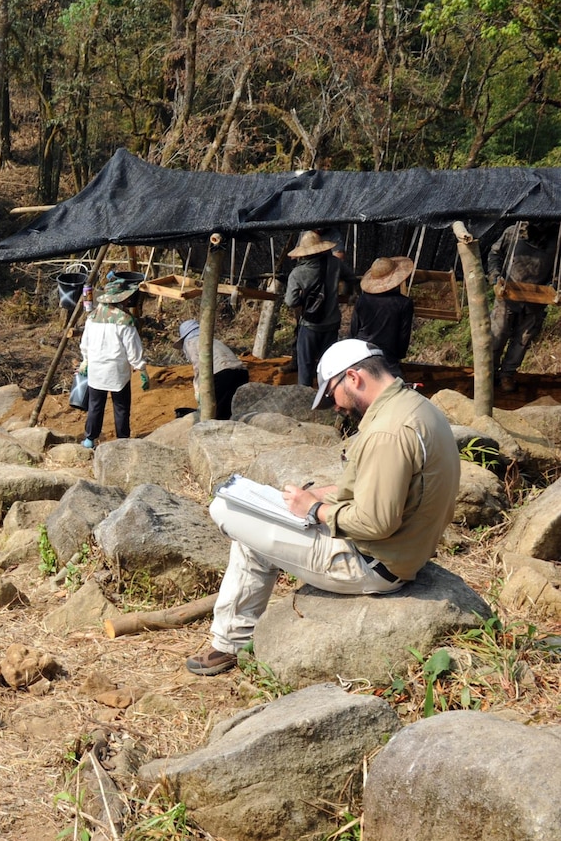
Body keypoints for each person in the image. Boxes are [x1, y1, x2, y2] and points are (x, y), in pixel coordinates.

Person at [185, 339, 459, 676]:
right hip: (400, 550)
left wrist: (314, 511)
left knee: (226, 510)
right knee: (253, 531)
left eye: (332, 395)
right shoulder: (414, 407)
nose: (336, 407)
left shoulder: (387, 432)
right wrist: (322, 496)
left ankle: (229, 644)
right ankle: (230, 642)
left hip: (370, 562)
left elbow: (376, 523)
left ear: (354, 378)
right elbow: (389, 487)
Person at [486, 221, 558, 392]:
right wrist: (495, 277)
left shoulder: (559, 238)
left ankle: (507, 375)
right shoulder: (513, 232)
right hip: (507, 294)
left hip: (536, 299)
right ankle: (488, 373)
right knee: (498, 334)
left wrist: (555, 286)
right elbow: (495, 254)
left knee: (522, 340)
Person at [77, 277, 147, 449]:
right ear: (122, 299)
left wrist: (85, 360)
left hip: (96, 370)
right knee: (121, 407)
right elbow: (133, 350)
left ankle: (89, 439)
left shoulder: (92, 317)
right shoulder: (125, 321)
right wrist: (141, 368)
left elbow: (84, 344)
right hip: (117, 371)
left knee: (95, 406)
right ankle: (122, 440)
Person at [283, 230, 360, 386]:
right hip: (332, 323)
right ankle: (327, 396)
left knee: (305, 364)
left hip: (309, 325)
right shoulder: (335, 263)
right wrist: (346, 293)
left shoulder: (297, 273)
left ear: (303, 253)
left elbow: (291, 301)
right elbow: (351, 277)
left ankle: (304, 396)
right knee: (328, 363)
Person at [348, 257, 416, 368]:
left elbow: (353, 330)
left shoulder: (362, 300)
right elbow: (403, 335)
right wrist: (398, 356)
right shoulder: (404, 303)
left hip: (362, 351)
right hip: (387, 355)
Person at [176, 319, 249, 420]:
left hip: (222, 374)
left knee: (216, 413)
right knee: (229, 410)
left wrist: (199, 390)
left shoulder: (190, 342)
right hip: (241, 372)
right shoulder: (212, 340)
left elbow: (199, 366)